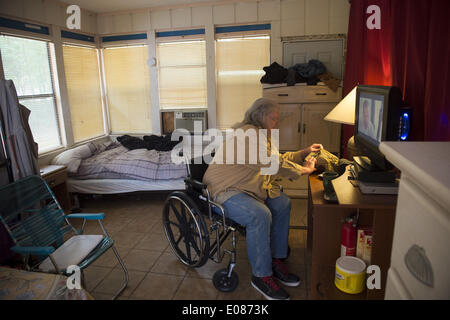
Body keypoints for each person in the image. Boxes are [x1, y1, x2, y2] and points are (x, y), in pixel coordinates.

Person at [203, 98, 321, 300]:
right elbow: (270, 163)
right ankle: (261, 276)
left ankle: (275, 259)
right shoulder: (247, 135)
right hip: (225, 189)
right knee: (260, 215)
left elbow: (276, 158)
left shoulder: (261, 135)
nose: (277, 122)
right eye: (274, 118)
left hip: (246, 187)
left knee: (282, 203)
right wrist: (304, 170)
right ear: (260, 116)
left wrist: (303, 153)